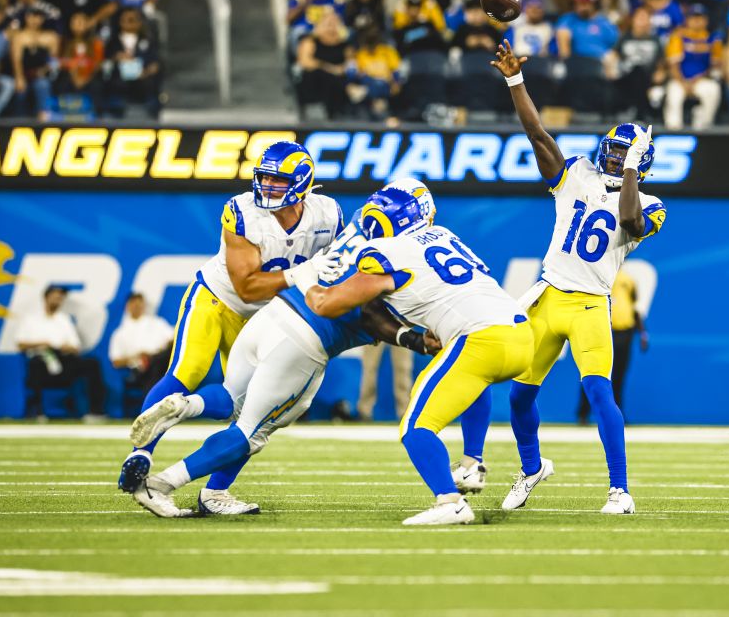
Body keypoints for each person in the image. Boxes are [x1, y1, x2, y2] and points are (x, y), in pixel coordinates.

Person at [128, 217, 441, 518]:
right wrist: (414, 339)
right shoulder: (394, 256)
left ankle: (186, 405)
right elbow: (370, 314)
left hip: (273, 313)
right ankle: (161, 485)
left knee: (231, 397)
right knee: (251, 433)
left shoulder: (355, 228)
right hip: (304, 340)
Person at [115, 140, 345, 515]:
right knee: (187, 370)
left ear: (302, 184)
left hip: (268, 316)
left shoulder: (328, 214)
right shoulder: (241, 211)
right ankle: (141, 453)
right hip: (219, 298)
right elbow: (246, 285)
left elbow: (339, 264)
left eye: (277, 180)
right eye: (264, 178)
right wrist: (300, 274)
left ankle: (216, 492)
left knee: (251, 411)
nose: (267, 187)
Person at [486, 40, 667, 515]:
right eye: (612, 152)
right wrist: (514, 81)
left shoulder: (649, 204)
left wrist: (629, 172)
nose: (611, 159)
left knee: (599, 392)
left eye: (622, 156)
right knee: (520, 397)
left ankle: (620, 491)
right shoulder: (578, 174)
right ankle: (530, 468)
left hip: (589, 303)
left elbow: (628, 222)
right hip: (548, 296)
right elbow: (538, 135)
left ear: (639, 165)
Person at [301, 186, 533, 526]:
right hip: (520, 335)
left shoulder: (383, 252)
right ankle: (470, 465)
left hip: (481, 339)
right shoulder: (442, 235)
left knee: (415, 427)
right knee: (474, 381)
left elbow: (328, 304)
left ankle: (450, 502)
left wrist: (304, 277)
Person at [357, 178, 438, 422]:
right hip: (376, 312)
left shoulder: (411, 242)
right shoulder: (374, 237)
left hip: (402, 312)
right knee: (369, 367)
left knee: (403, 369)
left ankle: (405, 411)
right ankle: (364, 410)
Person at [15, 285, 106, 422]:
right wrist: (42, 343)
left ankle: (95, 412)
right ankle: (37, 411)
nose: (58, 300)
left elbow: (76, 347)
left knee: (92, 364)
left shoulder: (64, 319)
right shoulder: (31, 320)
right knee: (36, 364)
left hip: (63, 359)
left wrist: (66, 347)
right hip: (41, 359)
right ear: (46, 297)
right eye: (55, 297)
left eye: (60, 298)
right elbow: (20, 344)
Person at [577, 267, 648, 424]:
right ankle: (583, 413)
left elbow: (634, 307)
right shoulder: (597, 276)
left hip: (624, 332)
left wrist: (642, 332)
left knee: (619, 375)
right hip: (602, 331)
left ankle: (616, 415)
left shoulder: (627, 278)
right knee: (592, 373)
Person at [108, 293, 173, 416]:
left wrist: (155, 354)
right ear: (128, 306)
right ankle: (154, 411)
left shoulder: (157, 323)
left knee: (159, 360)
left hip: (163, 365)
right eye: (134, 304)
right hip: (138, 370)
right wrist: (137, 356)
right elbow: (116, 361)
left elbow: (173, 338)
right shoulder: (120, 333)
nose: (137, 306)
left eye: (140, 303)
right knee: (150, 368)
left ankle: (153, 409)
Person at [663, 4, 722, 129]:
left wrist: (698, 80)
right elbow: (673, 65)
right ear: (687, 20)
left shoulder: (713, 40)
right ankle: (673, 128)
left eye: (700, 18)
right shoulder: (678, 37)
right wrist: (684, 83)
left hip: (701, 80)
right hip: (680, 79)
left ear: (706, 20)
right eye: (693, 17)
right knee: (674, 93)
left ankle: (704, 127)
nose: (696, 21)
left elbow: (715, 66)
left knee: (713, 89)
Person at [103, 7, 162, 118]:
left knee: (150, 85)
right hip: (119, 81)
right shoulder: (113, 42)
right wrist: (116, 58)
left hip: (143, 81)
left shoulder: (148, 41)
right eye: (124, 20)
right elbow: (105, 63)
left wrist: (146, 72)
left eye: (132, 20)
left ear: (139, 22)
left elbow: (155, 63)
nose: (128, 23)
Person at [610, 7, 665, 123]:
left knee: (640, 72)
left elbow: (661, 62)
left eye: (645, 18)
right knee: (636, 71)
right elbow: (614, 56)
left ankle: (636, 111)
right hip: (626, 77)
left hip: (648, 77)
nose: (642, 22)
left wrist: (661, 71)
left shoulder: (655, 40)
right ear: (633, 20)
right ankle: (641, 114)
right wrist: (611, 67)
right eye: (640, 18)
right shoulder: (624, 38)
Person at [295, 11, 353, 118]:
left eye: (335, 23)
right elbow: (305, 62)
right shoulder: (310, 41)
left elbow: (350, 64)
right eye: (328, 23)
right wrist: (329, 68)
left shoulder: (345, 45)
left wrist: (342, 69)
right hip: (316, 81)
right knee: (316, 75)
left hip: (339, 82)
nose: (331, 27)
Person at [9, 9, 60, 120]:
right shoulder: (19, 37)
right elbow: (16, 60)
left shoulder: (51, 37)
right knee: (20, 92)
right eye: (31, 16)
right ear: (26, 18)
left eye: (38, 17)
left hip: (42, 74)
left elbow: (53, 60)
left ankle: (43, 120)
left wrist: (45, 70)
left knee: (42, 85)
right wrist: (19, 78)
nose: (35, 20)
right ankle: (19, 122)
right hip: (24, 74)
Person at [55, 11, 106, 116]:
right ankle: (62, 114)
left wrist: (84, 79)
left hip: (89, 76)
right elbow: (59, 61)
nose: (78, 25)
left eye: (81, 22)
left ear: (87, 24)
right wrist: (73, 75)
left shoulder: (96, 43)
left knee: (97, 84)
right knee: (61, 81)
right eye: (75, 22)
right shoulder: (62, 42)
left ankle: (98, 116)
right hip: (69, 76)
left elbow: (98, 64)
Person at [555, 0, 620, 62]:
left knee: (612, 57)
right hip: (577, 61)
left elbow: (615, 45)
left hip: (602, 61)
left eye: (586, 2)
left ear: (595, 3)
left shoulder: (605, 22)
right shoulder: (568, 19)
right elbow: (562, 36)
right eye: (579, 2)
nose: (582, 6)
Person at [350, 27, 401, 120]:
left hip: (385, 85)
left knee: (379, 85)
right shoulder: (361, 54)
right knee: (366, 82)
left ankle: (376, 103)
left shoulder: (388, 51)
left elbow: (396, 73)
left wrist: (395, 83)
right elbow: (357, 74)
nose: (370, 46)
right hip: (368, 84)